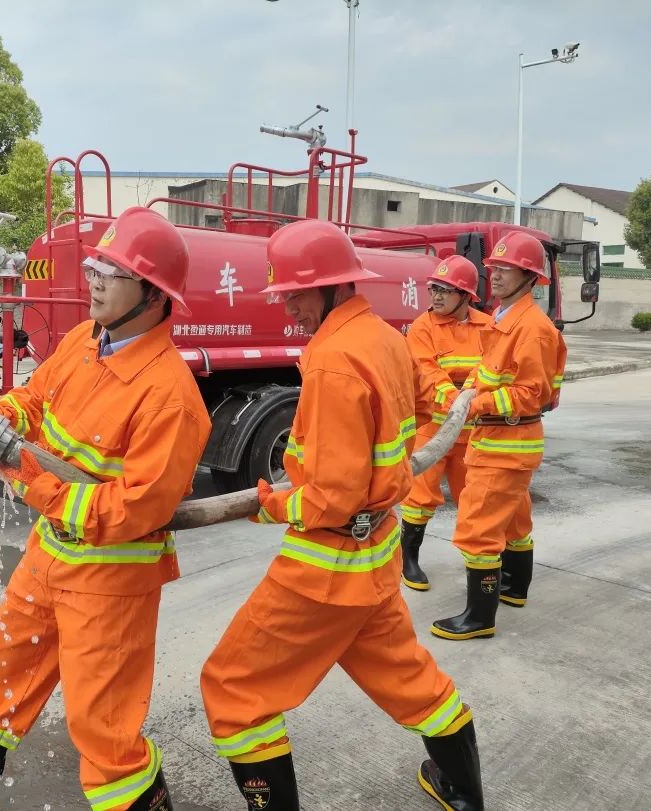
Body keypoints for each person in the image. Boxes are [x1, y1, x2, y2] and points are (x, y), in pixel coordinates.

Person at [0, 207, 212, 811]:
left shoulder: (171, 398)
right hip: (50, 555)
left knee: (104, 726)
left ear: (153, 294)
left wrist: (34, 483)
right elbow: (31, 404)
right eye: (95, 265)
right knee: (2, 669)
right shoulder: (82, 343)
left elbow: (134, 510)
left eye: (111, 272)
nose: (93, 280)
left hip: (112, 580)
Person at [200, 220, 484, 811]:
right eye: (284, 295)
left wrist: (274, 503)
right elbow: (404, 426)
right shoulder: (384, 337)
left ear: (335, 286)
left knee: (233, 688)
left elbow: (331, 497)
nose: (289, 309)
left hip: (324, 568)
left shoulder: (332, 361)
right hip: (373, 557)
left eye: (298, 295)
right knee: (410, 679)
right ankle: (463, 791)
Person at [430, 231, 567, 641]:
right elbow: (488, 369)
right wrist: (469, 389)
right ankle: (514, 589)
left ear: (531, 277)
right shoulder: (504, 320)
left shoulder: (531, 328)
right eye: (495, 268)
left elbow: (532, 393)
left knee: (478, 526)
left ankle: (479, 616)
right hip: (502, 442)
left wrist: (477, 404)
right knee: (514, 519)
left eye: (509, 269)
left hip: (506, 443)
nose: (498, 275)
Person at [399, 256, 492, 591]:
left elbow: (490, 369)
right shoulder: (422, 327)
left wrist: (469, 395)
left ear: (466, 295)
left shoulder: (488, 327)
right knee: (420, 496)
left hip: (473, 431)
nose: (436, 296)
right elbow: (427, 373)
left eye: (445, 290)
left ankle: (478, 566)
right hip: (432, 429)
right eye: (433, 288)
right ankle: (408, 559)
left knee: (472, 498)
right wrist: (458, 399)